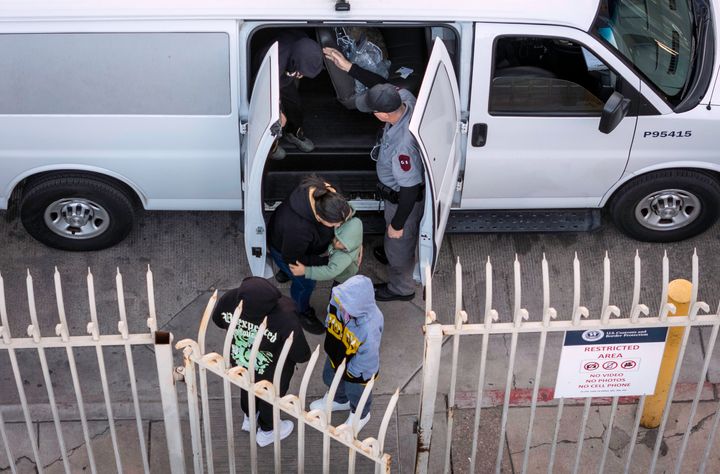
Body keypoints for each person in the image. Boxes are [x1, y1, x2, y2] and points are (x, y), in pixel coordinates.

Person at [323, 47, 424, 301]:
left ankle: (401, 288)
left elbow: (410, 190)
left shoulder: (404, 145)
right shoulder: (406, 100)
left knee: (398, 244)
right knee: (393, 240)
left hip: (402, 201)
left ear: (382, 114)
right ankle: (393, 248)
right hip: (395, 193)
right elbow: (383, 84)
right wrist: (349, 67)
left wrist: (398, 225)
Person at [211, 277, 311, 447]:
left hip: (241, 361)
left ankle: (250, 416)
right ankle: (268, 430)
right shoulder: (284, 315)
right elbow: (301, 354)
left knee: (246, 385)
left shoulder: (230, 299)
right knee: (270, 397)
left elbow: (217, 320)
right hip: (273, 370)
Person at [267, 175, 353, 334]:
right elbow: (292, 258)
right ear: (319, 218)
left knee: (293, 271)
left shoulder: (327, 192)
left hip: (290, 241)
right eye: (335, 225)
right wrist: (326, 261)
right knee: (305, 283)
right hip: (286, 251)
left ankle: (284, 274)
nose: (339, 226)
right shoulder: (298, 228)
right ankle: (300, 311)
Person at [309, 275, 383, 432]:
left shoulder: (369, 327)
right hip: (337, 352)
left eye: (346, 304)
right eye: (340, 300)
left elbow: (368, 356)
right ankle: (339, 399)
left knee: (356, 392)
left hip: (358, 369)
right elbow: (331, 314)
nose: (340, 305)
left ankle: (361, 414)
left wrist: (352, 373)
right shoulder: (338, 301)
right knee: (329, 377)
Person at [258, 30, 324, 160]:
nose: (302, 76)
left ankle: (293, 133)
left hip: (286, 76)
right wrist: (277, 112)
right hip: (264, 80)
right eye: (301, 73)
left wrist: (294, 72)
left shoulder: (303, 42)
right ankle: (270, 145)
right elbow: (264, 92)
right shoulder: (276, 60)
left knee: (294, 105)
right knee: (274, 119)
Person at [288, 211, 363, 286]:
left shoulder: (344, 257)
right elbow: (347, 210)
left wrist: (305, 271)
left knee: (336, 292)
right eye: (337, 238)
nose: (336, 243)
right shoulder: (354, 235)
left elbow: (329, 272)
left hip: (342, 278)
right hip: (339, 264)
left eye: (341, 244)